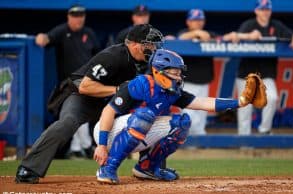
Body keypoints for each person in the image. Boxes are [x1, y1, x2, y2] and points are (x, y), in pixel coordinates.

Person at [15, 24, 164, 184]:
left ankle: (149, 167)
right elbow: (85, 86)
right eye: (149, 44)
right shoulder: (113, 56)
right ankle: (28, 168)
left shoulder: (147, 62)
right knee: (68, 122)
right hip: (82, 96)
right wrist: (118, 89)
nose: (153, 48)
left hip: (114, 101)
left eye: (154, 44)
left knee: (150, 114)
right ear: (135, 44)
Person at [93, 49, 254, 184]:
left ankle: (147, 167)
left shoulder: (172, 91)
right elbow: (108, 111)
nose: (178, 77)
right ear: (158, 71)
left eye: (179, 73)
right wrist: (101, 145)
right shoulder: (140, 84)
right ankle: (107, 168)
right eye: (174, 72)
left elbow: (203, 103)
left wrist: (239, 102)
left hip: (137, 131)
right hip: (107, 132)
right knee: (145, 115)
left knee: (182, 123)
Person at [35, 5, 101, 159]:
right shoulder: (63, 31)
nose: (78, 18)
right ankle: (82, 146)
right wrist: (41, 37)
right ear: (69, 16)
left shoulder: (89, 33)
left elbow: (98, 55)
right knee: (75, 113)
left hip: (88, 81)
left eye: (81, 15)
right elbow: (46, 38)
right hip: (69, 83)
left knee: (81, 113)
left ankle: (78, 146)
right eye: (75, 15)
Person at [232, 0, 293, 135]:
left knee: (272, 98)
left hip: (266, 74)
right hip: (246, 74)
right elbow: (235, 37)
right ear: (256, 11)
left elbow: (292, 35)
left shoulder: (276, 25)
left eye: (267, 9)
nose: (265, 12)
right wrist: (249, 36)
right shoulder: (249, 24)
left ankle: (264, 130)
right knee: (245, 108)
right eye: (262, 9)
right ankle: (244, 140)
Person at [177, 9, 217, 135]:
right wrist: (197, 33)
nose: (198, 23)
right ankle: (191, 140)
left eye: (200, 20)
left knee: (201, 115)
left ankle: (198, 144)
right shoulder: (184, 33)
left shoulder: (209, 33)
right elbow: (180, 38)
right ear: (188, 22)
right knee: (188, 114)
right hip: (187, 82)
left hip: (204, 81)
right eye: (194, 20)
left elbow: (220, 39)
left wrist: (206, 36)